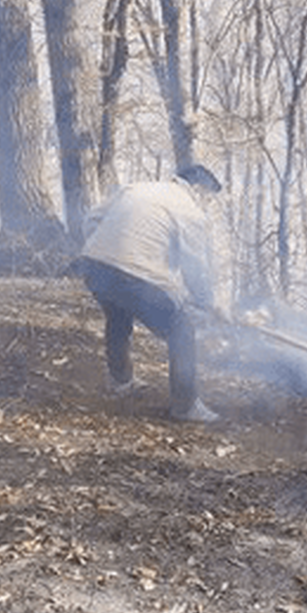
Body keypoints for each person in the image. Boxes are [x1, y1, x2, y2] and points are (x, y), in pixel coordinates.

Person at [76, 164, 226, 423]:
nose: (207, 204)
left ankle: (120, 381)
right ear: (198, 189)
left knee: (119, 315)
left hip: (93, 265)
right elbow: (196, 268)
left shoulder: (136, 188)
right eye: (208, 197)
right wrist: (207, 303)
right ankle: (185, 406)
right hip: (131, 273)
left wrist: (102, 252)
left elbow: (92, 218)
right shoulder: (190, 211)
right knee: (181, 329)